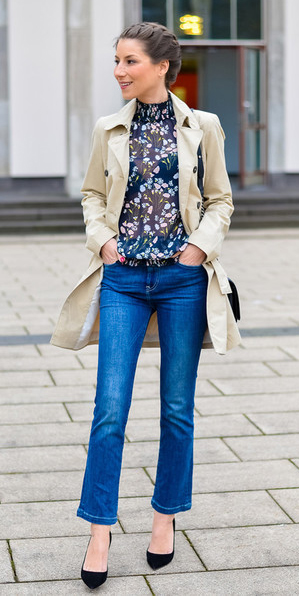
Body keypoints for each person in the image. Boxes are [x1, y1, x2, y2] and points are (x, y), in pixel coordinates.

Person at [51, 21, 240, 590]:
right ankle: (100, 530)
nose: (118, 71)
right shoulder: (109, 127)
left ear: (161, 66)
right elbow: (90, 194)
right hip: (124, 280)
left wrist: (197, 249)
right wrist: (102, 240)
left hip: (182, 280)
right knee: (110, 408)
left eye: (129, 61)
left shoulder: (202, 126)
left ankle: (164, 519)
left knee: (176, 409)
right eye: (115, 60)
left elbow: (220, 200)